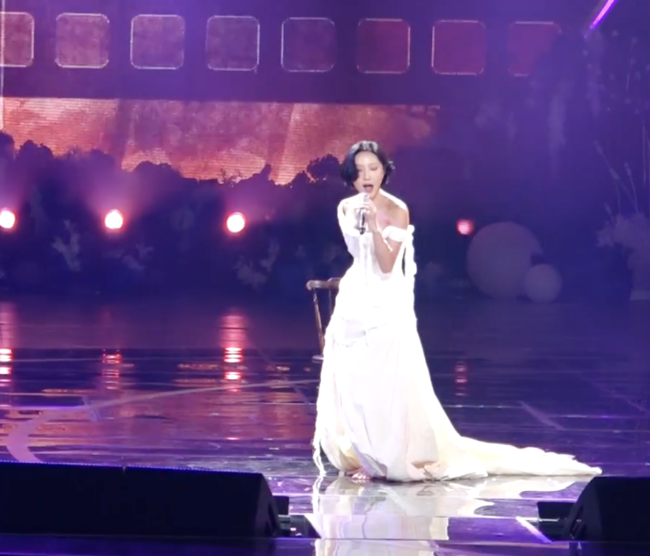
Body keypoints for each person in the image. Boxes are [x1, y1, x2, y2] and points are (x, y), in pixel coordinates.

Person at [312, 140, 602, 482]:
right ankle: (365, 452)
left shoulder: (398, 210)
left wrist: (375, 225)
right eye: (359, 170)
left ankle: (387, 456)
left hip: (385, 300)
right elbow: (358, 255)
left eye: (373, 169)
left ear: (383, 172)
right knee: (354, 382)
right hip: (354, 299)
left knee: (386, 382)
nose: (366, 176)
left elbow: (387, 264)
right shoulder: (346, 208)